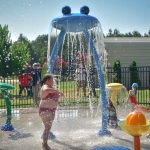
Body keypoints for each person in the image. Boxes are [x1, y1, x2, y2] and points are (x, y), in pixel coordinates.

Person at [39, 74, 64, 150]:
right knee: (47, 128)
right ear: (47, 81)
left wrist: (58, 95)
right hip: (45, 110)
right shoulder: (45, 86)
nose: (53, 81)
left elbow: (52, 97)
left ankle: (44, 143)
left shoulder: (51, 88)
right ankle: (44, 144)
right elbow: (46, 91)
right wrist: (57, 91)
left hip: (51, 110)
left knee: (48, 128)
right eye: (52, 80)